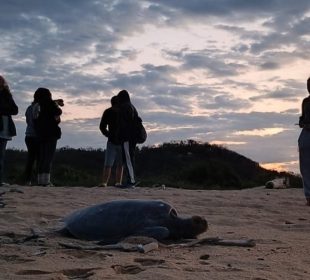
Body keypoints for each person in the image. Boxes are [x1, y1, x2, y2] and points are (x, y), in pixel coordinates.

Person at [34, 88, 62, 186]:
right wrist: (56, 104)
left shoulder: (36, 106)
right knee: (48, 157)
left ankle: (40, 180)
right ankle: (46, 181)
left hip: (40, 134)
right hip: (51, 133)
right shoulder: (50, 104)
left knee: (42, 157)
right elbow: (58, 112)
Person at [99, 95, 123, 187]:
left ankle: (105, 182)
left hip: (113, 140)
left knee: (109, 164)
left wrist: (108, 134)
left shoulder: (108, 111)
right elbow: (102, 127)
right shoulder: (121, 111)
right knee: (118, 164)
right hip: (119, 141)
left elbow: (102, 127)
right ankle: (117, 183)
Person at [117, 89, 140, 187]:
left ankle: (131, 180)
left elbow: (124, 124)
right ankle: (131, 179)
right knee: (129, 157)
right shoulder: (132, 107)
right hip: (132, 137)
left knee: (128, 158)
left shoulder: (125, 107)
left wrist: (120, 135)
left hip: (127, 137)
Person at [0, 75, 18, 186]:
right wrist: (5, 110)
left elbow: (15, 110)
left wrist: (3, 110)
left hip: (5, 127)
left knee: (1, 155)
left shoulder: (7, 95)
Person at [23, 91, 41, 185]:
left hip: (28, 135)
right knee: (39, 159)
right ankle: (38, 180)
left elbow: (27, 121)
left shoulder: (29, 108)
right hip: (36, 136)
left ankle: (27, 180)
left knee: (30, 158)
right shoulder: (40, 108)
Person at [298, 77, 310, 206]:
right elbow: (303, 117)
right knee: (305, 167)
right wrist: (302, 122)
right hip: (306, 134)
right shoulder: (306, 101)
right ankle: (309, 196)